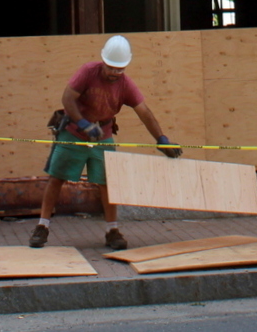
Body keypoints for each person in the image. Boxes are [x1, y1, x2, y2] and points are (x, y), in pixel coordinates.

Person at [30, 35, 179, 251]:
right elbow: (67, 99)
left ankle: (112, 230)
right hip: (73, 132)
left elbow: (144, 112)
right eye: (111, 68)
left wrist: (162, 140)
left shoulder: (125, 84)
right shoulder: (87, 72)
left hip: (103, 135)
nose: (115, 73)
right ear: (103, 62)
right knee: (56, 178)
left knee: (107, 183)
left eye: (120, 69)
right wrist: (83, 123)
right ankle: (42, 226)